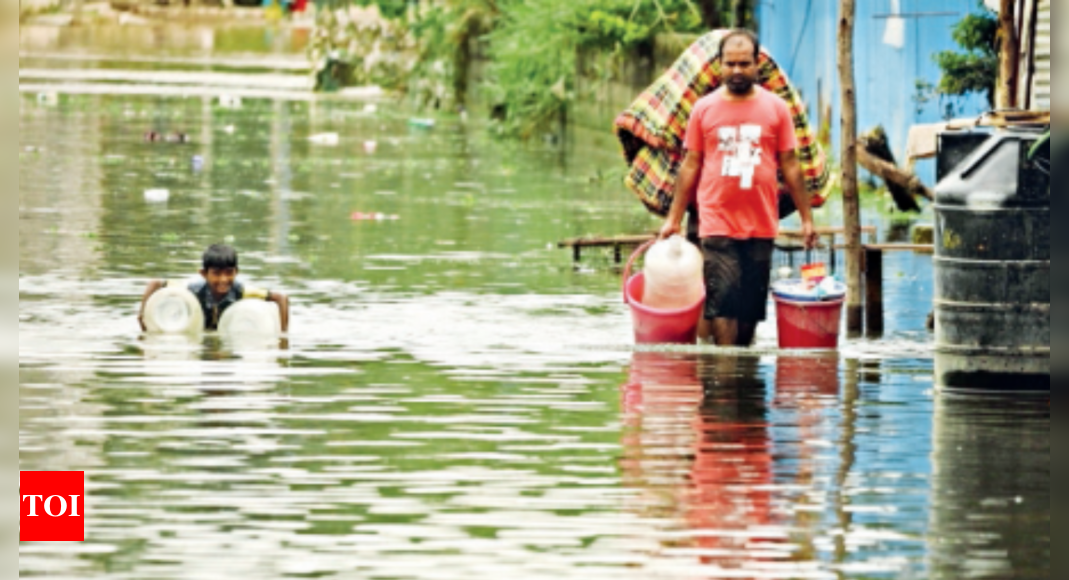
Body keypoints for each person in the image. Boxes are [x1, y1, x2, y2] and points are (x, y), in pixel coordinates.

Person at [659, 29, 818, 347]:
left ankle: (741, 381)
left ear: (756, 64)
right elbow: (690, 165)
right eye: (730, 63)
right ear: (719, 65)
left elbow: (790, 165)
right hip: (716, 222)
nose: (736, 71)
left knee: (750, 313)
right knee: (724, 301)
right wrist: (673, 219)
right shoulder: (704, 109)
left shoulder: (776, 109)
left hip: (761, 223)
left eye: (744, 64)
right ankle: (727, 378)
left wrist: (807, 218)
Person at [138, 244, 290, 333]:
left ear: (236, 272)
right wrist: (142, 316)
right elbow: (155, 283)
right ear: (203, 274)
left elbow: (281, 298)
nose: (223, 279)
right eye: (216, 273)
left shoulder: (240, 291)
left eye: (229, 273)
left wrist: (283, 337)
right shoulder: (192, 290)